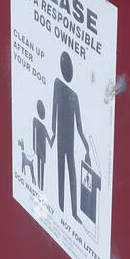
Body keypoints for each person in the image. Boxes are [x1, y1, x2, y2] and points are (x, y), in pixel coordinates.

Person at [51, 52, 89, 222]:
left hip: (68, 144)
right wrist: (52, 133)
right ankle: (60, 205)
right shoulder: (57, 85)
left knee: (71, 175)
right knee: (61, 173)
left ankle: (73, 212)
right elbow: (53, 111)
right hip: (60, 141)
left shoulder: (74, 96)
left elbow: (80, 127)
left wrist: (87, 147)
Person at [32, 99, 51, 191]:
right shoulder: (41, 125)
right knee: (41, 169)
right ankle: (40, 188)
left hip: (39, 151)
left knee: (39, 168)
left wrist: (34, 148)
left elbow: (34, 137)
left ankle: (40, 188)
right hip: (41, 151)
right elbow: (50, 143)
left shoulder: (35, 122)